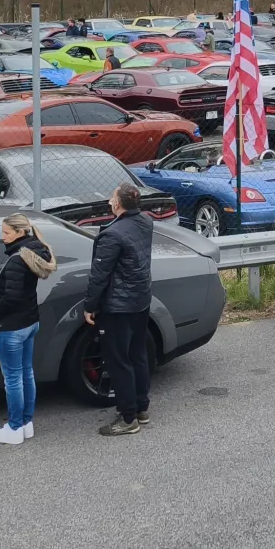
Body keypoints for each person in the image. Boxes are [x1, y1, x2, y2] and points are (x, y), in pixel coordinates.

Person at [84, 186, 154, 436]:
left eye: (112, 197)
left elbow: (99, 275)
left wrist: (90, 306)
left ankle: (127, 418)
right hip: (140, 301)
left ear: (118, 204)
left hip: (118, 307)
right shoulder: (145, 222)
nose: (109, 201)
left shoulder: (112, 235)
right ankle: (141, 409)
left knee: (118, 361)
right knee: (138, 355)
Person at [0, 213, 57, 445]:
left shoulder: (17, 260)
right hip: (29, 323)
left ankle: (14, 428)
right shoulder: (34, 253)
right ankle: (26, 423)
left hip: (12, 327)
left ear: (20, 232)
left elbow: (11, 298)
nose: (3, 237)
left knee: (13, 379)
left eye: (6, 233)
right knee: (26, 373)